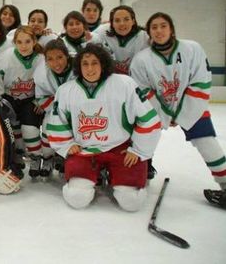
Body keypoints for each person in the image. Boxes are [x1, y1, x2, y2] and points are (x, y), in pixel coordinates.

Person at [47, 44, 161, 211]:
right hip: (85, 151)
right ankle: (97, 174)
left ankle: (113, 175)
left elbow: (148, 119)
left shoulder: (125, 84)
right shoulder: (65, 91)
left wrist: (137, 150)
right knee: (77, 199)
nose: (90, 68)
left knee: (131, 202)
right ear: (78, 66)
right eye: (85, 64)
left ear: (104, 64)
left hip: (120, 149)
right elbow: (58, 121)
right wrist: (66, 144)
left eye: (95, 63)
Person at [130, 12, 226, 208]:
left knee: (207, 143)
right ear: (148, 32)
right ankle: (136, 177)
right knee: (142, 141)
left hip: (193, 107)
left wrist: (182, 114)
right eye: (154, 27)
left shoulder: (192, 49)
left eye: (163, 26)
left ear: (171, 28)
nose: (159, 30)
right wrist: (164, 114)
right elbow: (143, 90)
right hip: (157, 111)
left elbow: (201, 80)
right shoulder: (141, 59)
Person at [0, 26, 45, 178]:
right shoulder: (5, 58)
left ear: (34, 41)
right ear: (14, 42)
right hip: (9, 98)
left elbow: (44, 83)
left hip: (31, 100)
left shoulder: (41, 60)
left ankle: (36, 157)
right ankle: (17, 155)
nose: (24, 45)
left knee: (30, 130)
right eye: (19, 42)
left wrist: (41, 100)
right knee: (12, 130)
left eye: (27, 41)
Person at [33, 38, 76, 177]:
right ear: (45, 60)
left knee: (76, 131)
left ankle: (67, 157)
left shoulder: (78, 68)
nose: (56, 63)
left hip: (77, 110)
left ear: (67, 56)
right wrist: (58, 106)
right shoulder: (41, 73)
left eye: (60, 57)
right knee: (47, 129)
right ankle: (48, 158)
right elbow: (41, 97)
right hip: (54, 109)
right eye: (50, 59)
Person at [97, 5, 149, 75]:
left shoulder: (144, 37)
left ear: (133, 21)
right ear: (111, 23)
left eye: (126, 19)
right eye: (117, 20)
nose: (122, 24)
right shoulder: (102, 31)